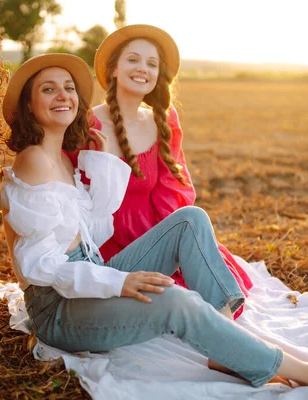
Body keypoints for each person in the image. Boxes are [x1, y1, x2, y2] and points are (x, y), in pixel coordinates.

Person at [0, 52, 308, 397]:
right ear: (29, 105)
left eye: (68, 87)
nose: (63, 95)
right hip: (59, 310)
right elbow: (38, 268)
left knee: (189, 220)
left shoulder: (65, 158)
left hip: (87, 276)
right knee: (175, 300)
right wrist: (118, 283)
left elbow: (96, 229)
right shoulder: (33, 161)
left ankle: (224, 341)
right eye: (48, 89)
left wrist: (101, 161)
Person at [67, 24, 252, 319]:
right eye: (133, 59)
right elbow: (65, 196)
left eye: (152, 64)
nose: (143, 69)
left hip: (154, 232)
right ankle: (224, 329)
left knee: (196, 243)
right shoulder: (85, 124)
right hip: (107, 243)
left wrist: (175, 243)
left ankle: (224, 323)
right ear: (113, 69)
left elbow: (172, 192)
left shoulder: (161, 120)